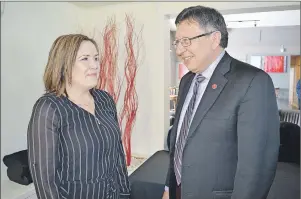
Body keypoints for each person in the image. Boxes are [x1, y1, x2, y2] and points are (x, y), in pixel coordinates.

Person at [162, 5, 280, 199]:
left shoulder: (252, 81)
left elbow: (256, 168)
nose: (179, 50)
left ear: (214, 39)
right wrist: (169, 187)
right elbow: (180, 142)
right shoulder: (186, 81)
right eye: (177, 43)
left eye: (186, 41)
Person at [27, 34, 130, 199]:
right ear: (63, 64)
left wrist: (124, 193)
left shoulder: (104, 99)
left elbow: (117, 153)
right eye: (85, 59)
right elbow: (45, 178)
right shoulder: (49, 108)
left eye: (96, 58)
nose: (95, 65)